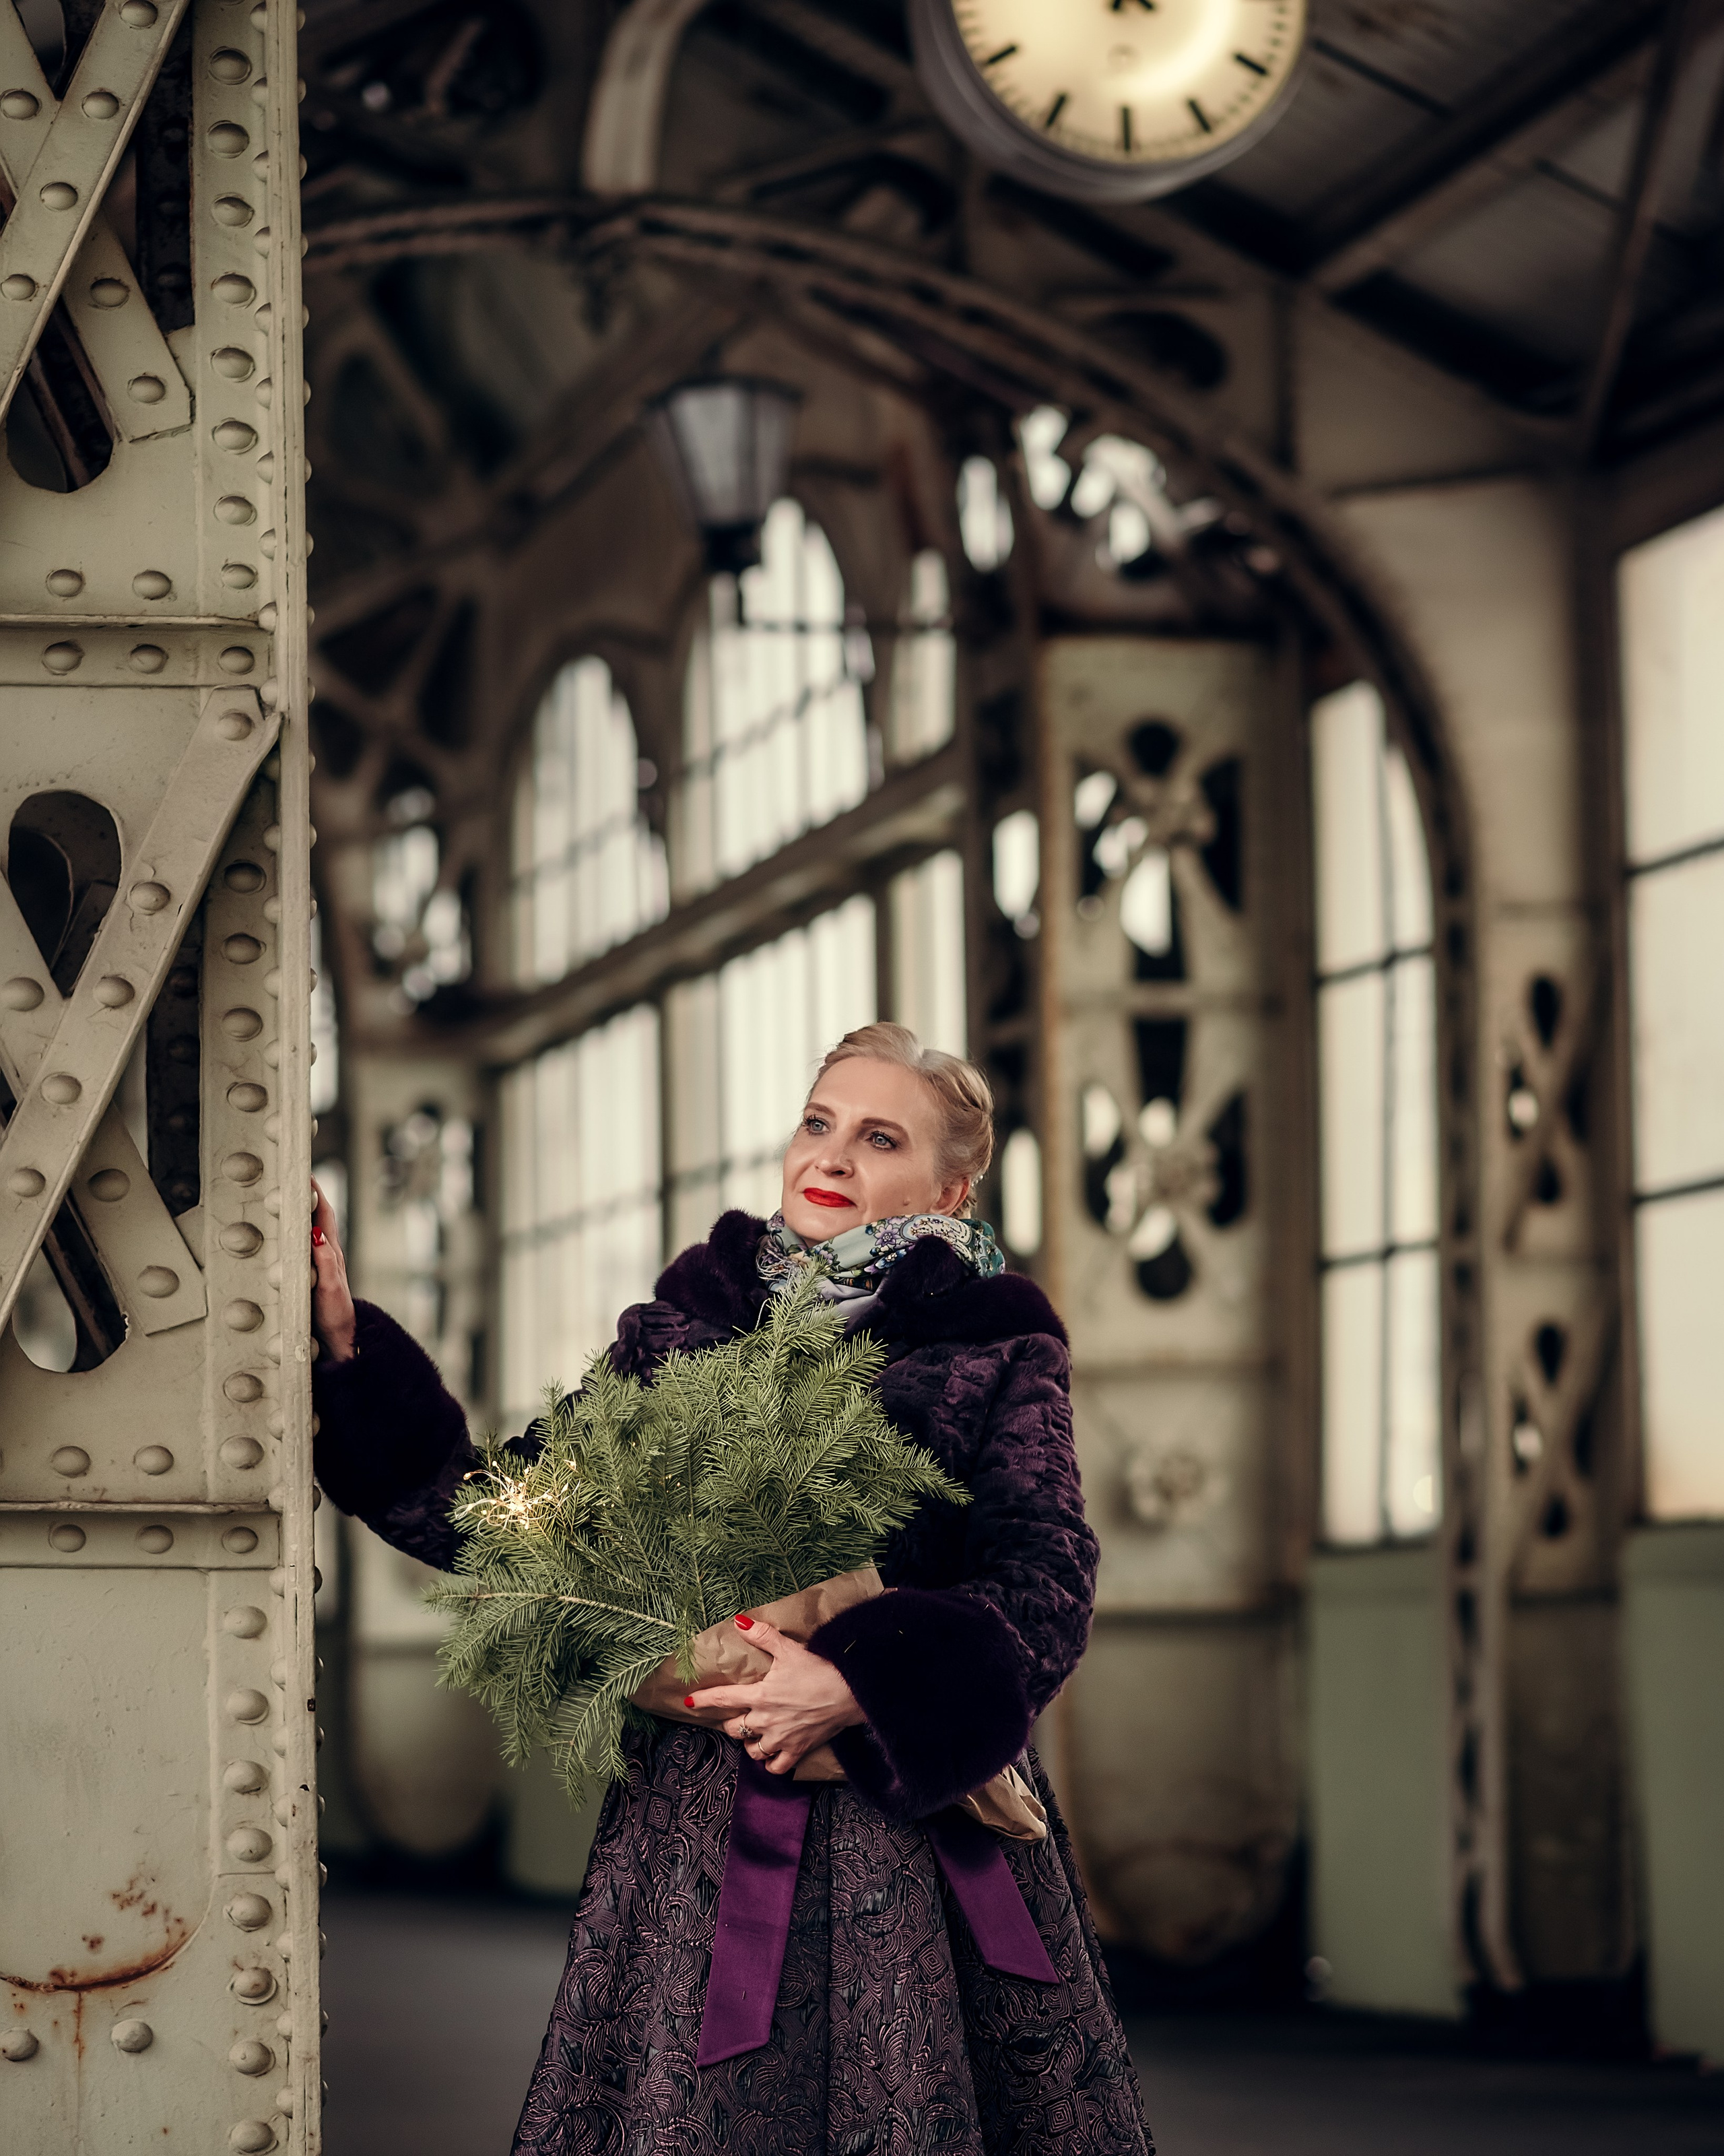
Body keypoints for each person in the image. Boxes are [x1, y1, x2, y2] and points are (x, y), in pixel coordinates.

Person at [309, 1022, 1154, 2155]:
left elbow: (1048, 1581)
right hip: (696, 1820)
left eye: (879, 1135)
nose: (833, 1155)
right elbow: (517, 1516)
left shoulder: (993, 1349)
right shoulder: (680, 1331)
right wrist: (352, 1350)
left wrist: (858, 1683)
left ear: (952, 1185)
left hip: (899, 1827)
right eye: (819, 1121)